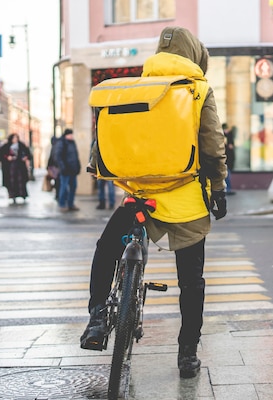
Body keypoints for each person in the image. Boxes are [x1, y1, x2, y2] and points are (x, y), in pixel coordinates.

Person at [80, 26, 228, 379]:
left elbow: (107, 136)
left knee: (106, 249)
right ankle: (187, 355)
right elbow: (213, 146)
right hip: (185, 199)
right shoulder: (197, 90)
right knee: (191, 281)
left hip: (139, 197)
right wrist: (218, 188)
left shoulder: (131, 88)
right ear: (193, 54)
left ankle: (97, 319)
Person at [0, 133, 30, 204]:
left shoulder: (21, 145)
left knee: (20, 181)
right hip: (10, 167)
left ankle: (22, 195)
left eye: (16, 138)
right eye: (14, 138)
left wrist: (25, 157)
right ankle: (13, 196)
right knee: (11, 181)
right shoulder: (7, 146)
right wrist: (7, 158)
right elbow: (0, 154)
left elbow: (28, 153)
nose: (15, 139)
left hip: (20, 166)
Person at [53, 128, 81, 212]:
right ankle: (62, 204)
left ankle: (70, 204)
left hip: (73, 170)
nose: (72, 136)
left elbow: (76, 156)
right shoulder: (62, 143)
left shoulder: (72, 143)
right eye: (70, 134)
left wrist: (78, 166)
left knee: (73, 187)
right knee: (64, 187)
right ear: (66, 135)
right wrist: (63, 167)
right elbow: (58, 156)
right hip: (65, 170)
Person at [222, 123, 236, 195]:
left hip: (228, 160)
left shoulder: (229, 136)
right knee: (227, 175)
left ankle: (228, 189)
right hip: (225, 160)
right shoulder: (224, 137)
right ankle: (227, 189)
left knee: (227, 175)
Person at [46, 136, 62, 200]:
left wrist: (48, 167)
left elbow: (52, 158)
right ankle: (58, 194)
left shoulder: (54, 147)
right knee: (58, 181)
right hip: (57, 167)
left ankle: (58, 195)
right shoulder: (57, 146)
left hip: (56, 167)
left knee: (57, 181)